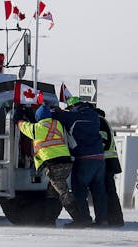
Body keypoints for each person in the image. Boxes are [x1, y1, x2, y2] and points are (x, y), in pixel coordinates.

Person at [14, 104, 86, 226]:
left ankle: (79, 220)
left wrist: (20, 111)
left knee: (63, 193)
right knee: (52, 192)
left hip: (54, 165)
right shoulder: (57, 124)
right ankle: (49, 220)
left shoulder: (35, 129)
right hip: (66, 162)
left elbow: (20, 124)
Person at [52, 96, 108, 227]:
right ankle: (102, 220)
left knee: (79, 190)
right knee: (99, 191)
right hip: (100, 159)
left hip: (85, 159)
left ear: (73, 107)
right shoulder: (93, 115)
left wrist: (57, 111)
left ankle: (83, 220)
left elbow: (53, 115)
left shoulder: (72, 117)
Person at [96, 107, 124, 227]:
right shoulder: (103, 121)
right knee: (110, 192)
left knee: (108, 192)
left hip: (106, 161)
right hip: (108, 161)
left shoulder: (100, 122)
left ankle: (114, 219)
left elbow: (102, 141)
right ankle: (115, 219)